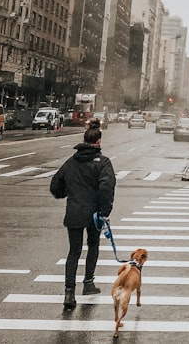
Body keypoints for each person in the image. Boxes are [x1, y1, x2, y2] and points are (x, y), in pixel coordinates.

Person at [50, 125, 116, 311]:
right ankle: (88, 283)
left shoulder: (71, 162)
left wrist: (67, 194)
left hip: (74, 212)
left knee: (74, 251)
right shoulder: (103, 162)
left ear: (84, 140)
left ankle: (69, 292)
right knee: (93, 245)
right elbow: (106, 187)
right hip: (94, 213)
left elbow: (55, 184)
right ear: (98, 141)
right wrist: (105, 211)